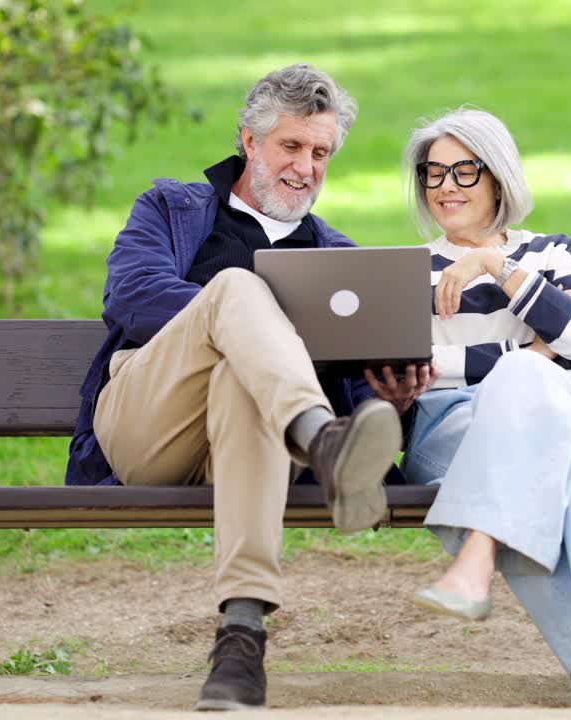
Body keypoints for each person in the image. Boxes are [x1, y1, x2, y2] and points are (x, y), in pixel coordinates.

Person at [65, 64, 431, 712]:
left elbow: (360, 380)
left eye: (320, 152)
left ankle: (242, 639)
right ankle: (320, 440)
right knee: (241, 289)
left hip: (251, 442)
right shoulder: (171, 208)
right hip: (149, 422)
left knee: (245, 380)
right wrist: (257, 319)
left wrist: (390, 402)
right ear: (249, 141)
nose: (306, 166)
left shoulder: (338, 256)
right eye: (291, 146)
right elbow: (133, 296)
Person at [374, 107, 571, 708]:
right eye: (433, 174)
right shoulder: (405, 271)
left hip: (568, 405)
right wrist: (523, 351)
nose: (445, 187)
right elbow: (422, 370)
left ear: (499, 177)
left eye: (464, 171)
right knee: (559, 450)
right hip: (454, 426)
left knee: (532, 386)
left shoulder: (554, 251)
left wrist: (493, 266)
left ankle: (476, 558)